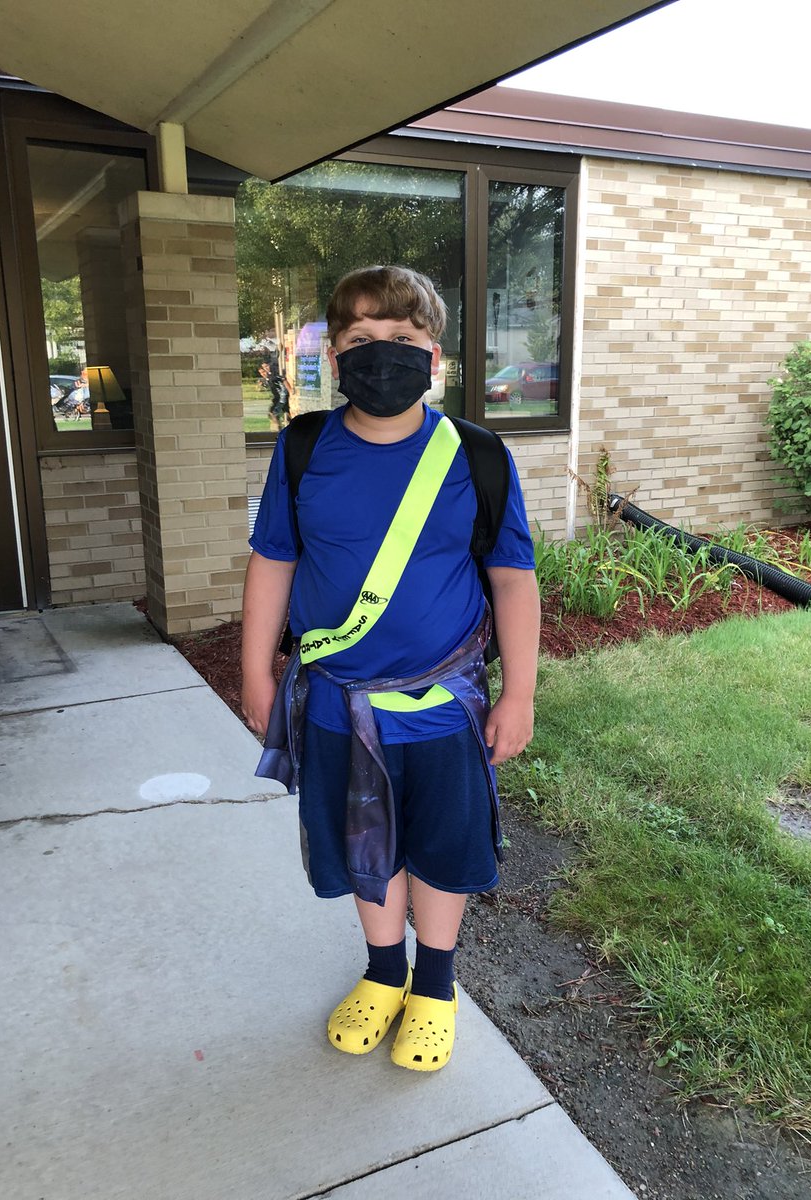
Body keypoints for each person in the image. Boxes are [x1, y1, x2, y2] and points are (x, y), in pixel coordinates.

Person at [242, 265, 540, 1073]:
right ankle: (384, 970)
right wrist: (256, 673)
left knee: (443, 845)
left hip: (446, 707)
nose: (383, 356)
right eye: (361, 341)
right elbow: (274, 559)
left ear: (433, 356)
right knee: (366, 839)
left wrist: (520, 694)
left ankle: (435, 985)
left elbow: (513, 577)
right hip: (339, 703)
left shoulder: (476, 455)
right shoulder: (303, 448)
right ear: (334, 357)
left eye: (403, 341)